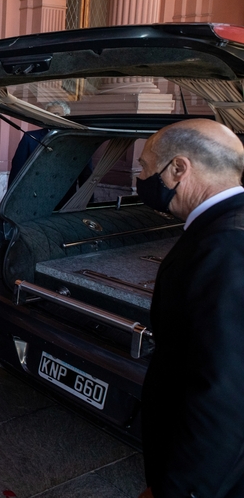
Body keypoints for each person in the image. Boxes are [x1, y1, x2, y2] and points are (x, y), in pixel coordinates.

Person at [135, 120, 244, 498]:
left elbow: (223, 394)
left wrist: (178, 491)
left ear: (178, 169)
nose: (142, 177)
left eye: (146, 167)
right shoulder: (223, 227)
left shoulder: (226, 249)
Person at [7, 100, 69, 186]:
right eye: (48, 115)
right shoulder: (30, 138)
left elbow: (85, 174)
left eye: (56, 114)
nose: (51, 118)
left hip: (66, 195)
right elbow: (17, 170)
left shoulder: (76, 138)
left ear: (66, 116)